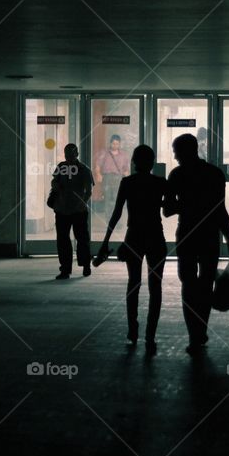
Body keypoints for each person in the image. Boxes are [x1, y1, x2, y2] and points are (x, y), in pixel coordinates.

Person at [164, 134, 229, 353]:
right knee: (206, 283)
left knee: (188, 284)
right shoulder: (215, 174)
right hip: (209, 235)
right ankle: (202, 330)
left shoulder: (177, 175)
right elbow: (221, 212)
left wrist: (186, 205)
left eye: (176, 150)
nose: (175, 155)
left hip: (187, 234)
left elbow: (168, 210)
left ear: (184, 151)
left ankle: (193, 335)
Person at [96, 145, 167, 355]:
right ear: (152, 162)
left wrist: (105, 242)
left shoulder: (127, 183)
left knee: (133, 283)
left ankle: (132, 330)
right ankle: (151, 334)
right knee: (156, 287)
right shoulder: (160, 183)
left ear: (134, 163)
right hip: (155, 236)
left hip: (134, 236)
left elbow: (117, 213)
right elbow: (171, 209)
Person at [50, 143, 94, 279]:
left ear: (77, 155)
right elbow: (54, 181)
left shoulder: (83, 170)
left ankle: (85, 265)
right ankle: (66, 268)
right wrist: (56, 185)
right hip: (63, 208)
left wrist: (82, 203)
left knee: (81, 239)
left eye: (71, 155)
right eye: (67, 155)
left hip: (76, 209)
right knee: (64, 240)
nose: (68, 158)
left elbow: (88, 191)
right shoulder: (62, 167)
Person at [94, 134, 130, 219]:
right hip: (107, 178)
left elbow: (126, 168)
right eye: (113, 143)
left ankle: (117, 220)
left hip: (118, 178)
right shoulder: (104, 153)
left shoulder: (123, 155)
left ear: (119, 144)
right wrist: (98, 174)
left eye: (117, 144)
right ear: (110, 143)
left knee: (117, 200)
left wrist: (127, 174)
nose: (115, 145)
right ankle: (108, 220)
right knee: (107, 200)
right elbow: (98, 165)